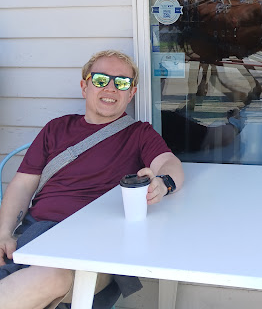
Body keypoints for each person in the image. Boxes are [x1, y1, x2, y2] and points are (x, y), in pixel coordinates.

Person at [0, 50, 184, 309]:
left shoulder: (139, 134)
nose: (111, 88)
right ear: (84, 86)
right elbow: (22, 184)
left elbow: (169, 163)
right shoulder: (56, 128)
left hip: (97, 248)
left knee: (52, 275)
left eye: (122, 83)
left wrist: (163, 183)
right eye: (100, 79)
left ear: (131, 93)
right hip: (37, 236)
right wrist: (4, 233)